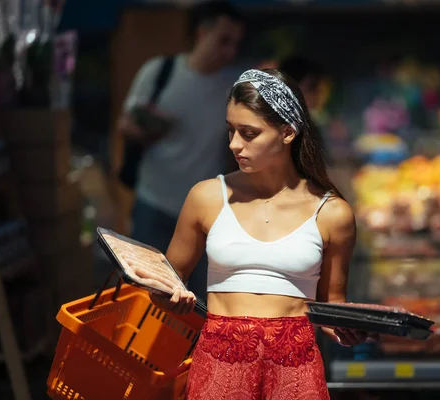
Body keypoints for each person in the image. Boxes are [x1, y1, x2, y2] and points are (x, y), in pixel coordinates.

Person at [134, 68, 375, 399]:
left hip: (295, 367)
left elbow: (331, 305)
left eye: (249, 133)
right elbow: (167, 283)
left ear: (288, 132)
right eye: (231, 131)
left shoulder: (332, 213)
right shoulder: (206, 197)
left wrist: (351, 327)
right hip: (220, 363)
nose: (234, 144)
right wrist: (166, 296)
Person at [117, 1, 245, 302]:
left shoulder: (233, 88)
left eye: (236, 44)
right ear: (202, 33)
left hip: (205, 215)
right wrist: (151, 129)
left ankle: (189, 352)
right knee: (144, 295)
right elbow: (125, 124)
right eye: (223, 40)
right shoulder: (161, 71)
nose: (229, 52)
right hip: (153, 202)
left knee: (195, 302)